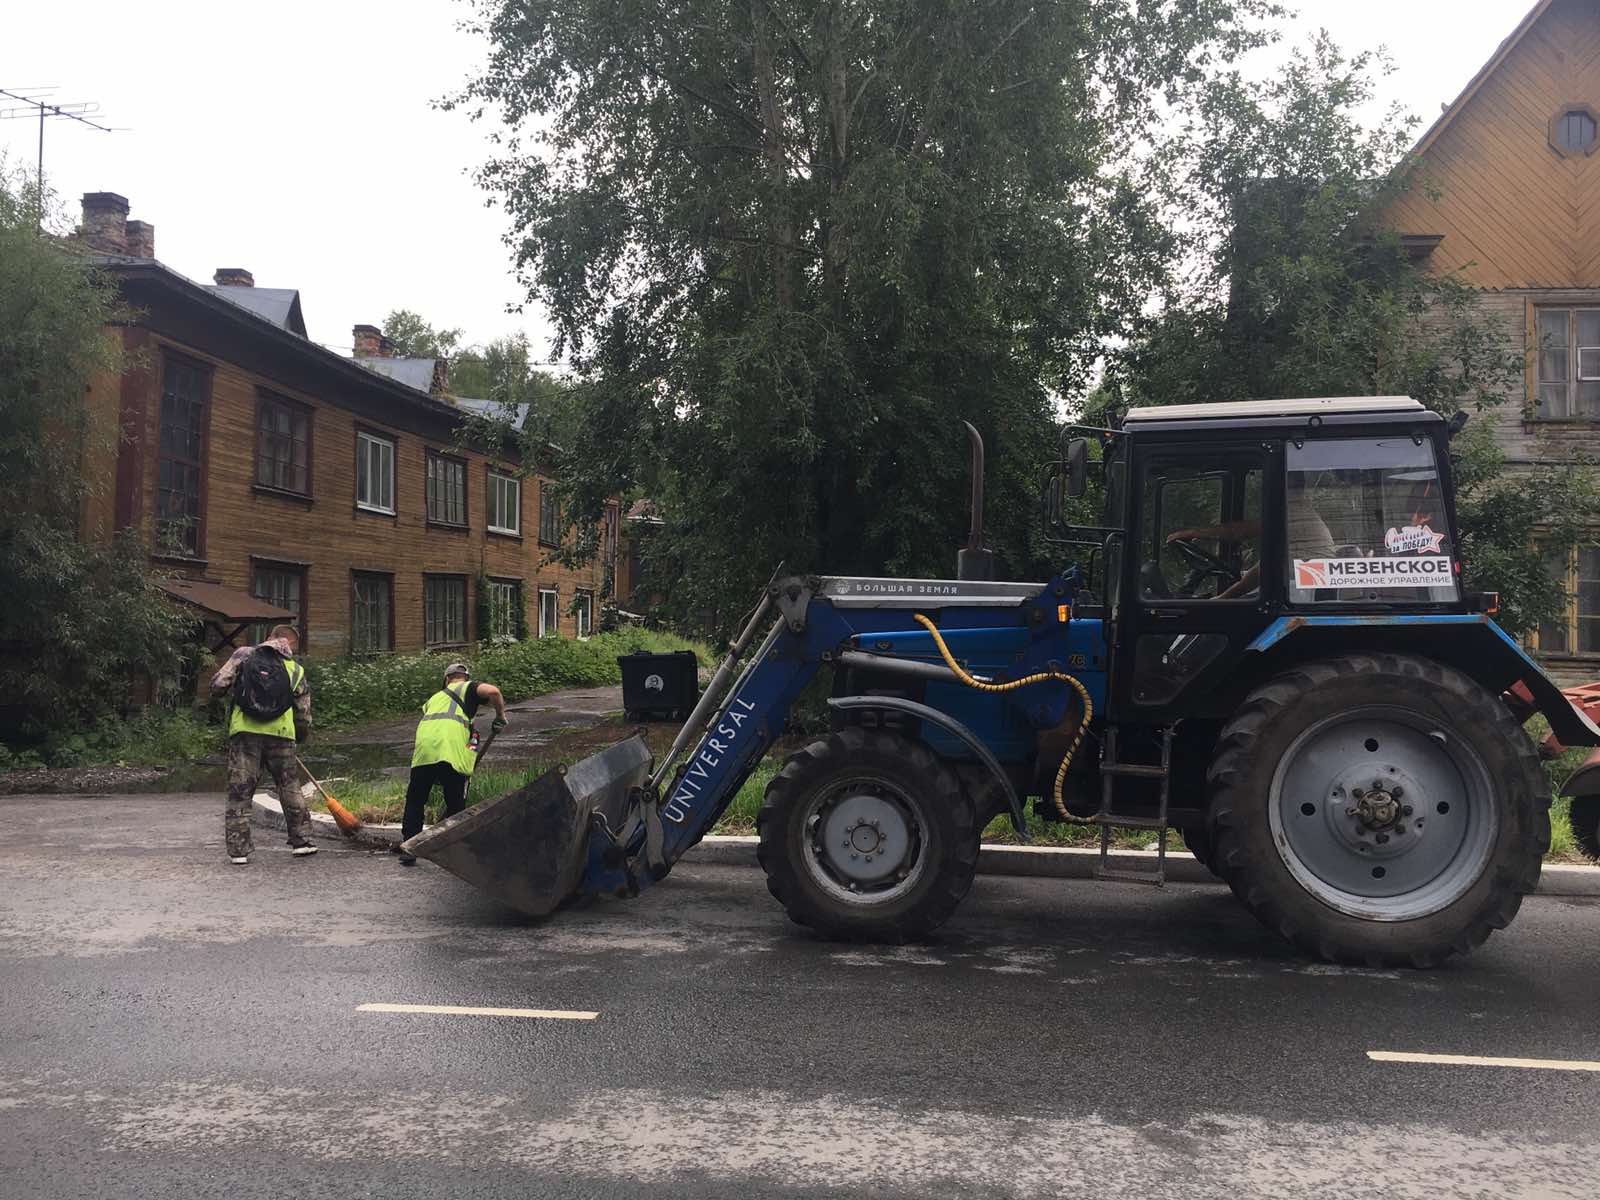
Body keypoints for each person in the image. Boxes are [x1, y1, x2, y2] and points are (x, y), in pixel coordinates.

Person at [209, 624, 316, 865]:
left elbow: (217, 686)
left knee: (240, 790)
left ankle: (239, 851)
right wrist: (298, 736)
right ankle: (303, 842)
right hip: (282, 735)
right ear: (291, 645)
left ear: (270, 638)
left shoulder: (243, 655)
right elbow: (303, 712)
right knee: (289, 787)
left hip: (245, 733)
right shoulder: (295, 669)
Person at [398, 662, 507, 866]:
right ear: (462, 678)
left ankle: (409, 846)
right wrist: (500, 715)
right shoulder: (468, 687)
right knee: (455, 801)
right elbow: (493, 691)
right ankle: (454, 848)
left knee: (416, 799)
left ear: (446, 679)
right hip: (450, 752)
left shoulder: (434, 698)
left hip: (424, 752)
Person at [1166, 472, 1334, 599]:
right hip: (1298, 590)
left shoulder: (1294, 514)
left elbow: (1238, 532)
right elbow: (1265, 568)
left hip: (1301, 595)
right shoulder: (1293, 512)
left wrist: (1195, 533)